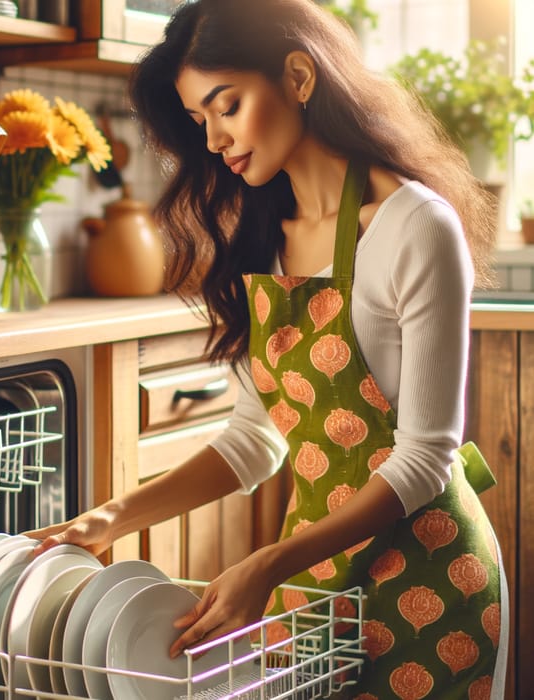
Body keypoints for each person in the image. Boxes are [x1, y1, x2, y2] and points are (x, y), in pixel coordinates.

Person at [26, 0, 508, 696]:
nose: (216, 138)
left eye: (228, 105)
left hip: (428, 579)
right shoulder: (260, 234)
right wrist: (112, 517)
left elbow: (426, 459)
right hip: (311, 580)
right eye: (200, 121)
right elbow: (256, 439)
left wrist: (266, 564)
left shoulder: (414, 227)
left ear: (299, 76)